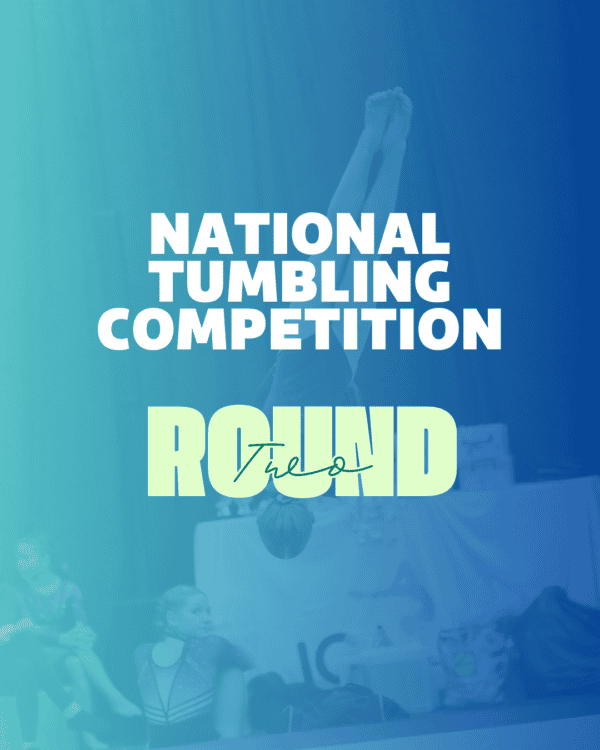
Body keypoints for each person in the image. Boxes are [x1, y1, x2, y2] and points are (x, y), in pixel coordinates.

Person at [264, 87, 413, 412]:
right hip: (334, 369)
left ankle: (372, 138)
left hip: (304, 367)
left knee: (337, 238)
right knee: (365, 246)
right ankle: (394, 145)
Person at [15, 533, 141, 750]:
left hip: (66, 652)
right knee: (74, 656)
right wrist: (62, 638)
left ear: (45, 559)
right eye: (18, 558)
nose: (19, 563)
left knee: (76, 662)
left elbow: (81, 622)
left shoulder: (68, 588)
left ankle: (89, 736)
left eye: (25, 557)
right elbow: (27, 629)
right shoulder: (19, 592)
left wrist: (85, 634)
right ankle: (114, 699)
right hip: (37, 656)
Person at [135, 585, 252, 748]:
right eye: (196, 611)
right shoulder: (215, 646)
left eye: (208, 611)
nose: (207, 618)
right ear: (172, 618)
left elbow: (231, 729)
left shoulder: (141, 652)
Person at [0, 582, 107, 750]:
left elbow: (27, 621)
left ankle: (29, 744)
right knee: (26, 641)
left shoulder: (7, 591)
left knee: (25, 666)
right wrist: (10, 630)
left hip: (16, 663)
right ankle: (70, 708)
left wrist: (12, 629)